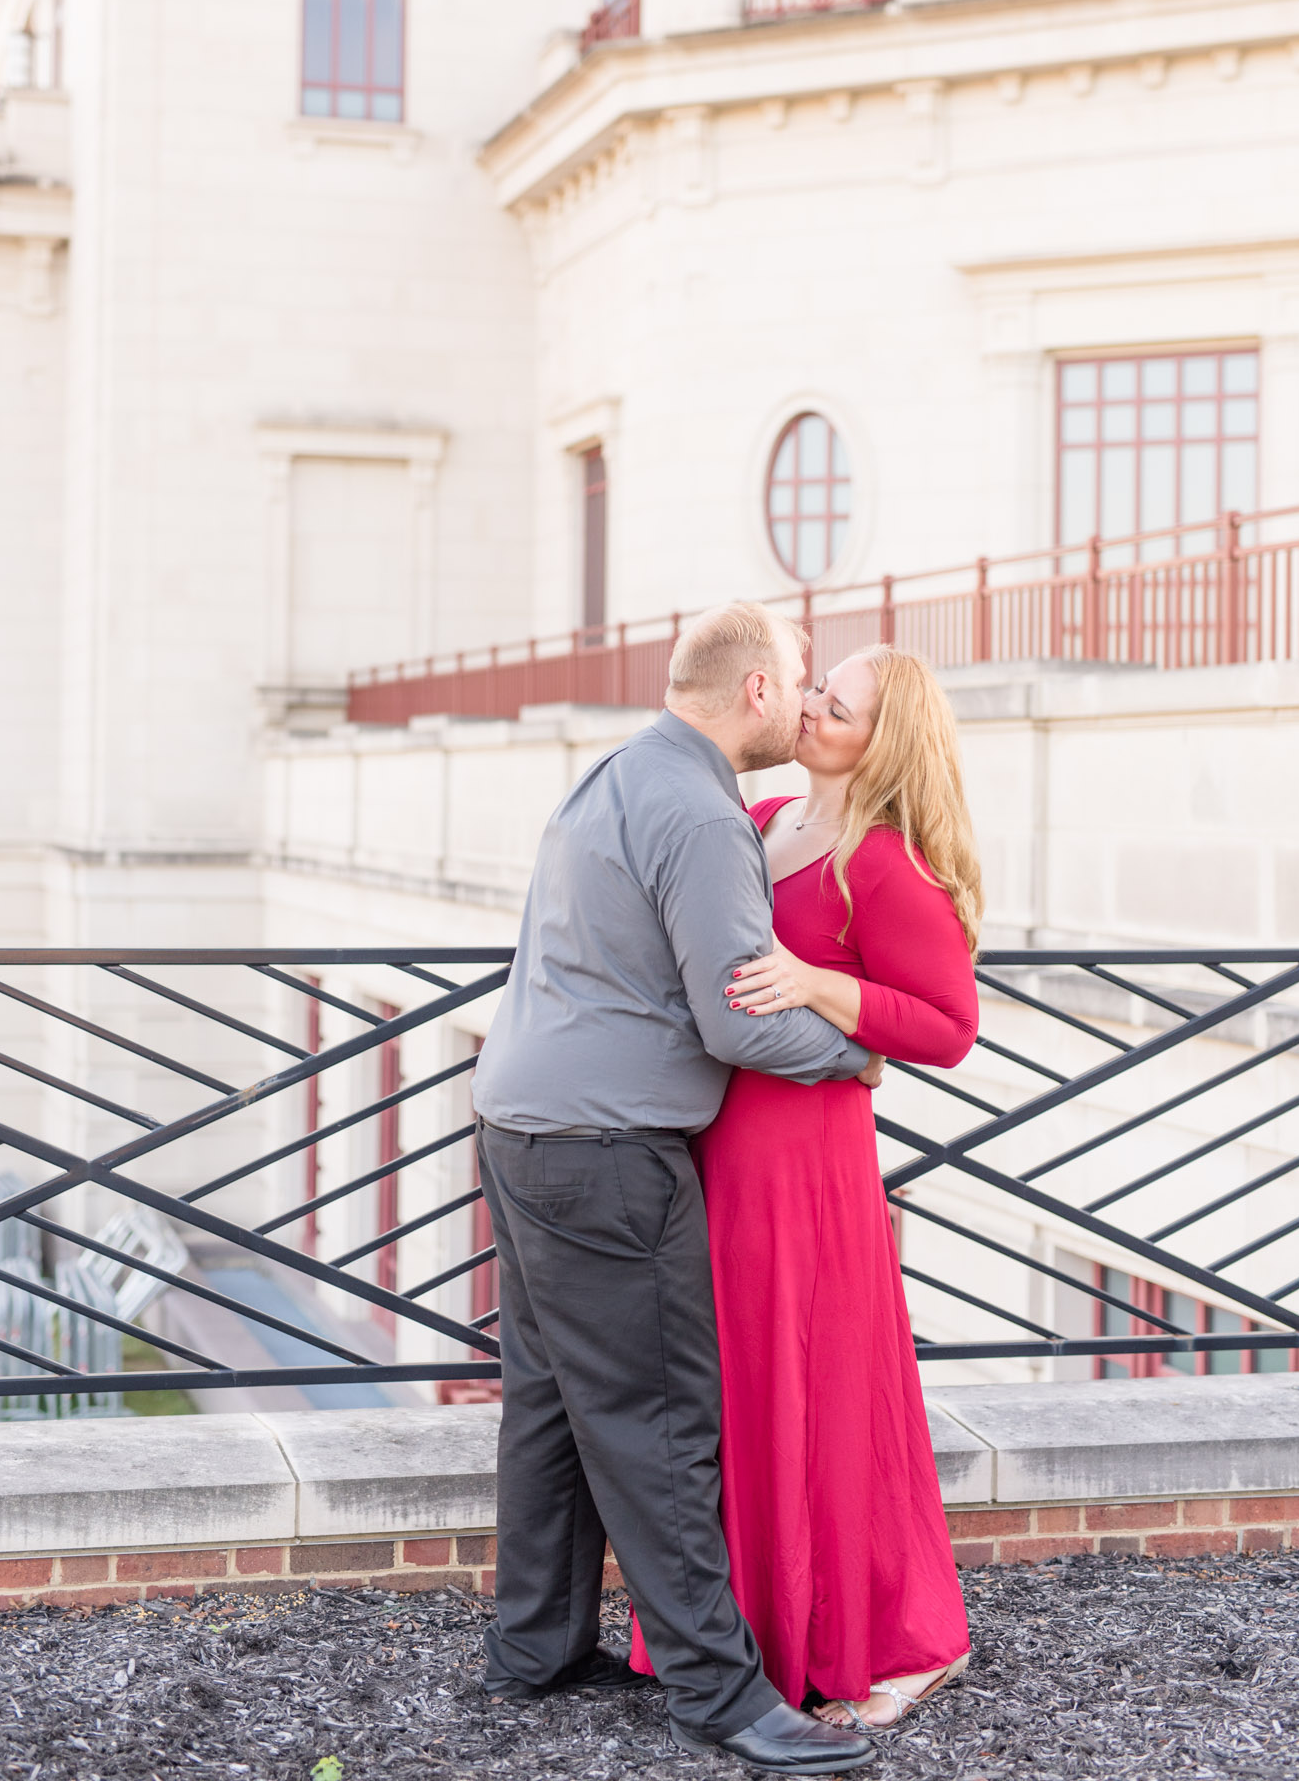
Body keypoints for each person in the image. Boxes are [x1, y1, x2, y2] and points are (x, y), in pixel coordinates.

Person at [471, 604, 883, 1775]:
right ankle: (722, 1695)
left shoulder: (614, 770)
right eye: (797, 682)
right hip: (603, 1150)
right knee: (657, 1424)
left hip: (517, 1123)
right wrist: (857, 1050)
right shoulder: (704, 812)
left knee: (550, 1406)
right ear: (754, 688)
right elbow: (740, 1018)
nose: (802, 705)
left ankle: (534, 1646)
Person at [632, 643, 980, 1732]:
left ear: (885, 738)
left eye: (839, 706)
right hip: (719, 1149)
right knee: (727, 1389)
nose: (812, 709)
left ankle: (890, 1641)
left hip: (807, 1170)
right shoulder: (768, 808)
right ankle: (735, 1635)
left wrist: (825, 986)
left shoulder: (882, 861)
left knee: (815, 1393)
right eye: (816, 691)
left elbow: (947, 1026)